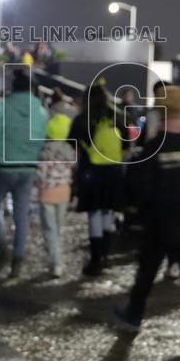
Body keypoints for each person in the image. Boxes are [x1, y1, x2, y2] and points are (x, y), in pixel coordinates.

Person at [113, 86, 180, 350]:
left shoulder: (156, 146)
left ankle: (134, 315)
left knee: (146, 271)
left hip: (160, 221)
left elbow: (139, 186)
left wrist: (142, 210)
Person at [0, 68, 49, 278]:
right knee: (21, 214)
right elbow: (42, 140)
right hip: (28, 168)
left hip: (3, 166)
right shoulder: (41, 111)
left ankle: (3, 247)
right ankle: (18, 259)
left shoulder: (1, 106)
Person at [72, 82, 126, 276]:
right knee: (107, 211)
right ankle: (105, 254)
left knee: (94, 212)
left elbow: (72, 143)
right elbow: (127, 143)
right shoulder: (117, 116)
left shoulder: (82, 118)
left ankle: (95, 259)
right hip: (113, 170)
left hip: (91, 171)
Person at [35, 112, 77, 278]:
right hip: (64, 192)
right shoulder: (69, 150)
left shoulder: (44, 150)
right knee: (58, 228)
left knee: (49, 228)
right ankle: (55, 256)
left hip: (47, 193)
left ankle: (56, 262)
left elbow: (40, 173)